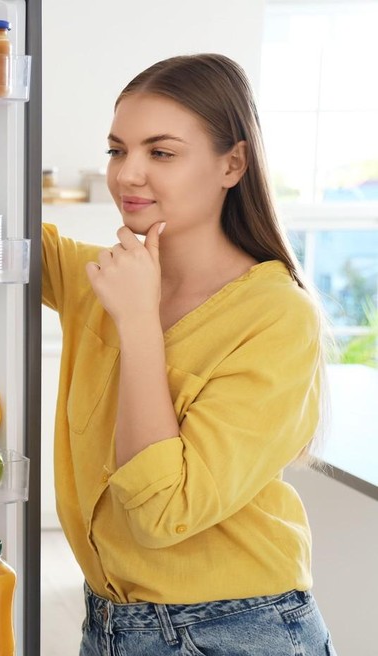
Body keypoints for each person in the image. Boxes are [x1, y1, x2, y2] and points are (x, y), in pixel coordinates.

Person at [41, 53, 336, 655]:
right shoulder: (101, 277)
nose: (128, 174)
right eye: (117, 150)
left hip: (235, 631)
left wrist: (138, 321)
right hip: (110, 624)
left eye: (161, 152)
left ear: (233, 163)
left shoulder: (277, 316)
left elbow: (162, 512)